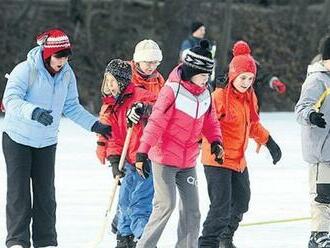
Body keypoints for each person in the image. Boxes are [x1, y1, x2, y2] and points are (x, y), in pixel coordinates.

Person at [2, 28, 111, 248]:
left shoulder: (67, 74)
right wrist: (33, 111)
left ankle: (46, 241)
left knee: (46, 194)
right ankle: (17, 240)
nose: (63, 61)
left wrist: (94, 124)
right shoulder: (25, 70)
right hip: (18, 139)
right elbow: (10, 100)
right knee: (19, 192)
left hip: (46, 141)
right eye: (58, 56)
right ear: (47, 54)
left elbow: (70, 106)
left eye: (66, 57)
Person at [135, 39, 224, 248]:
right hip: (165, 159)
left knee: (193, 211)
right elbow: (155, 123)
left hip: (188, 162)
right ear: (192, 71)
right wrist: (142, 153)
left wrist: (216, 142)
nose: (205, 80)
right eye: (203, 76)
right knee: (166, 205)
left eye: (207, 76)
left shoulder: (205, 94)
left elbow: (210, 121)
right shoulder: (172, 91)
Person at [198, 41, 282, 248]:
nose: (246, 82)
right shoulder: (219, 97)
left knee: (242, 202)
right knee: (220, 206)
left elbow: (253, 124)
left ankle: (226, 238)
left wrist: (270, 142)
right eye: (242, 77)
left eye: (250, 78)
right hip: (217, 159)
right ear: (233, 75)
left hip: (238, 160)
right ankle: (208, 243)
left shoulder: (249, 97)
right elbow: (204, 124)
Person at [95, 59, 157, 248]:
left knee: (140, 201)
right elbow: (114, 136)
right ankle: (124, 236)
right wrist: (114, 161)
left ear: (122, 81)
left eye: (113, 81)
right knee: (124, 201)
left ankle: (143, 239)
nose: (109, 86)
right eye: (107, 81)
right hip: (127, 160)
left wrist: (143, 109)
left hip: (145, 159)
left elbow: (163, 109)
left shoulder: (141, 95)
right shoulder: (112, 104)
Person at [108, 39, 165, 236]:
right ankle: (125, 229)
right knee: (128, 196)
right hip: (127, 143)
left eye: (155, 62)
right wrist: (111, 154)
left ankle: (135, 231)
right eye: (148, 62)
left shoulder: (159, 80)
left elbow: (164, 106)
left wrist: (145, 109)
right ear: (137, 61)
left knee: (141, 196)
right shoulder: (124, 79)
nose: (152, 66)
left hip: (149, 145)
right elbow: (110, 116)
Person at [295, 35, 330, 248]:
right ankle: (319, 233)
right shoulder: (317, 80)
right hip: (320, 148)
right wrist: (311, 116)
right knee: (323, 194)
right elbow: (301, 108)